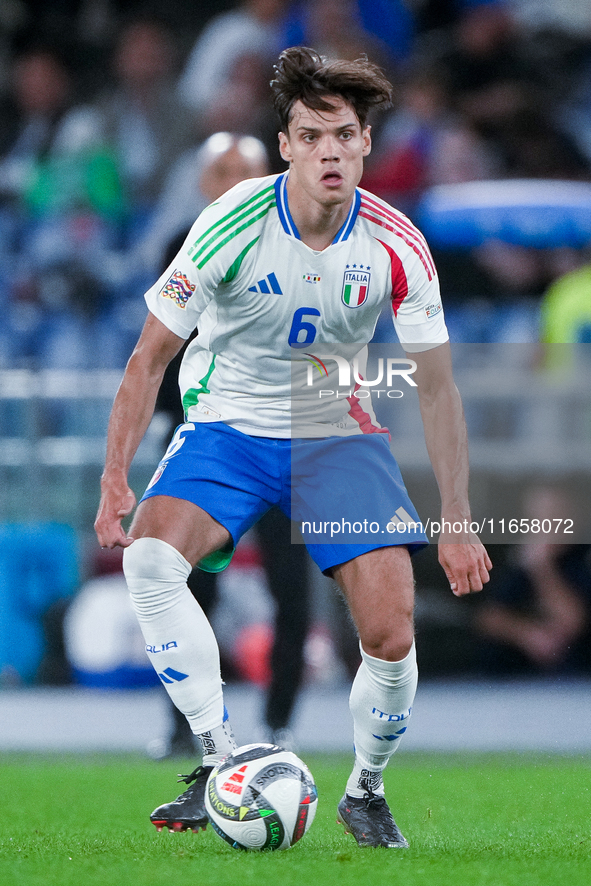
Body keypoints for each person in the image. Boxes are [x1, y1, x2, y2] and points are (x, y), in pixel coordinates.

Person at [95, 46, 491, 850]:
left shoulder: (397, 245)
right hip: (228, 429)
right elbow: (148, 359)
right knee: (148, 560)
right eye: (310, 136)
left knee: (389, 634)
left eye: (343, 134)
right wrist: (113, 482)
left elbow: (438, 386)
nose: (329, 151)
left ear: (365, 144)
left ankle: (365, 791)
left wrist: (456, 514)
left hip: (335, 434)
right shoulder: (230, 222)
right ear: (285, 146)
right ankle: (215, 761)